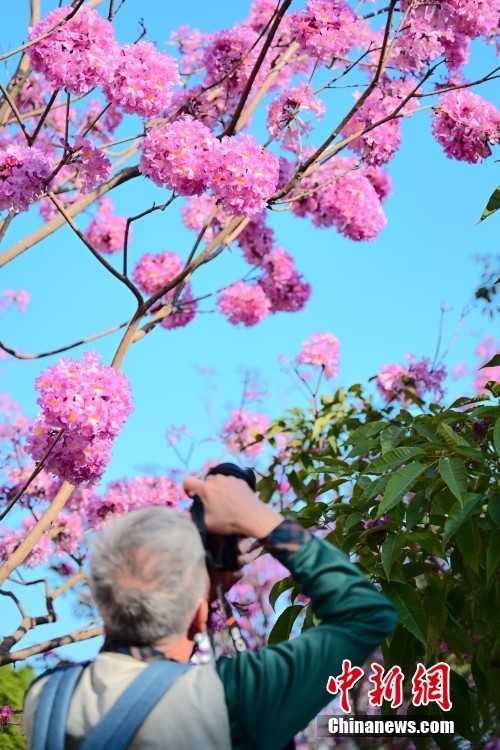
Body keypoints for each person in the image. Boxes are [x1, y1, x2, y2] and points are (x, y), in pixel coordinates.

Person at [24, 472, 397, 750]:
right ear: (201, 617)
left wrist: (196, 591)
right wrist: (257, 517)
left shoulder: (45, 699)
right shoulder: (233, 698)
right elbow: (367, 613)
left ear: (102, 599)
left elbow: (136, 681)